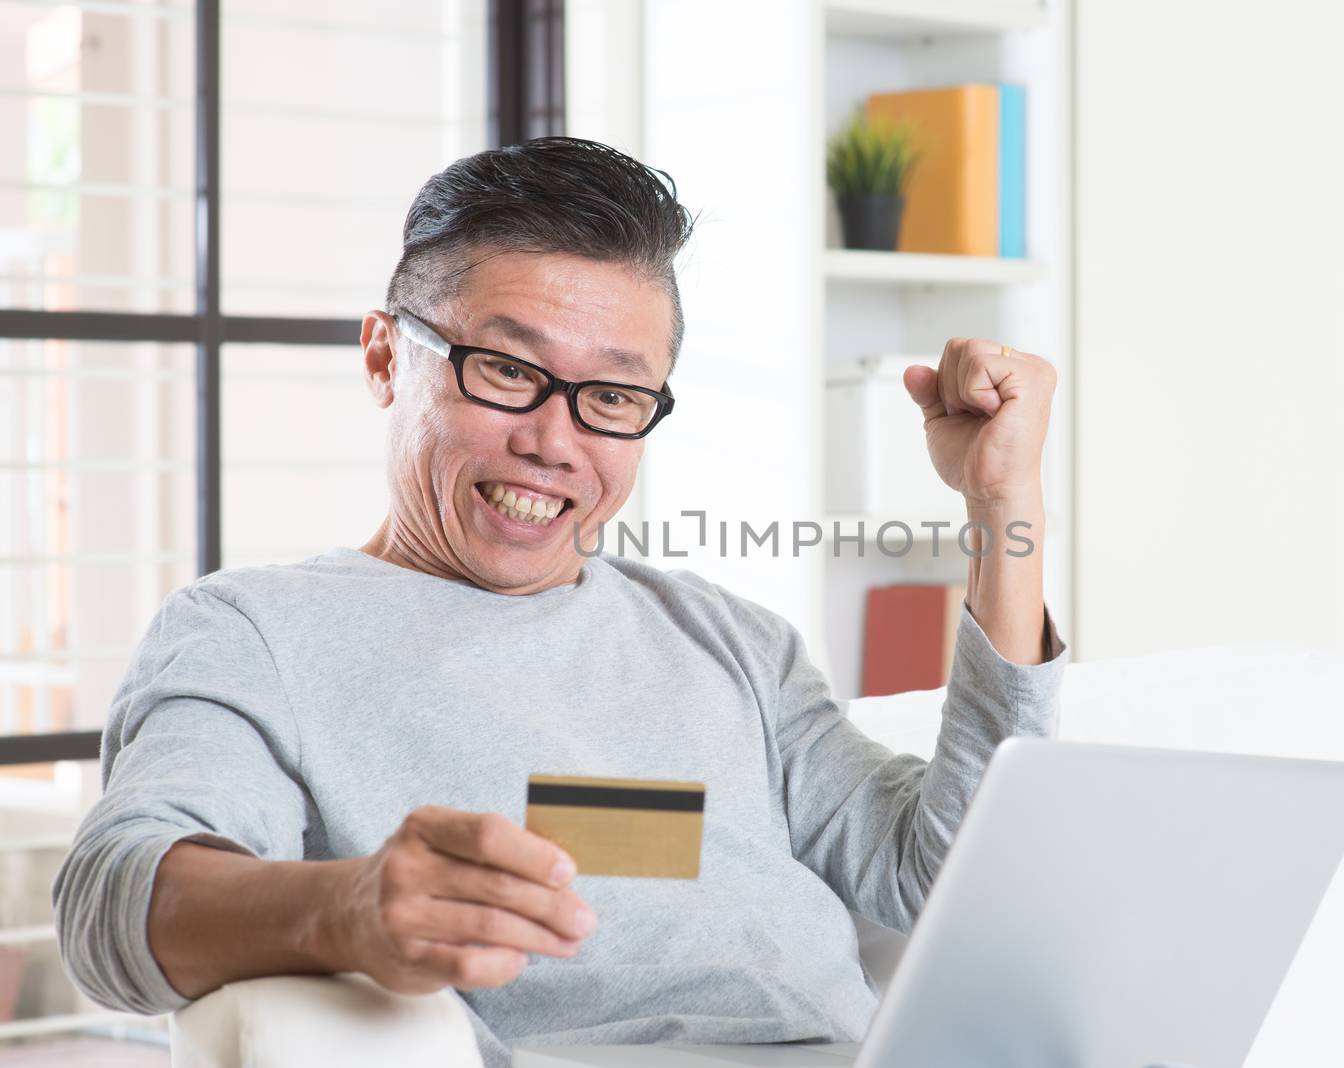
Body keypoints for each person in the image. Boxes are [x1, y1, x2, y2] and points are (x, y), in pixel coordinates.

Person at [51, 137, 1066, 1068]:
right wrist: (347, 908)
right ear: (382, 357)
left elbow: (939, 880)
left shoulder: (732, 642)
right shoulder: (252, 635)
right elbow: (112, 912)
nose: (554, 439)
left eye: (613, 397)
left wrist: (999, 504)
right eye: (504, 369)